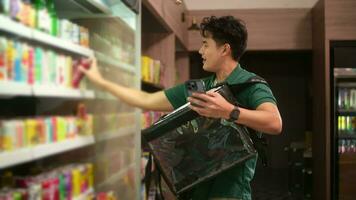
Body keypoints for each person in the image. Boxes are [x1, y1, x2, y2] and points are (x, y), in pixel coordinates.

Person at [81, 15, 282, 200]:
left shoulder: (251, 84)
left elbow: (274, 122)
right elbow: (146, 100)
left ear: (224, 49)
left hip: (229, 192)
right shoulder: (198, 87)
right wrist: (100, 81)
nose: (201, 51)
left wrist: (228, 111)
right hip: (194, 188)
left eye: (205, 44)